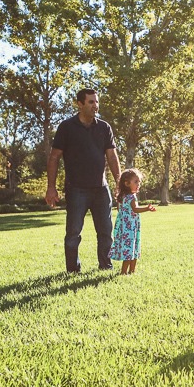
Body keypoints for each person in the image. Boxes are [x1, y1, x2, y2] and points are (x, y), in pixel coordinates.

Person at [46, 88, 121, 273]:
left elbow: (112, 157)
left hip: (101, 190)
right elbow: (54, 157)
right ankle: (73, 270)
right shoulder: (66, 127)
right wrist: (51, 187)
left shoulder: (104, 127)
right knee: (73, 234)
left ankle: (106, 266)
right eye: (91, 102)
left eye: (96, 101)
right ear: (80, 104)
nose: (95, 105)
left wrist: (119, 183)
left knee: (105, 233)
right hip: (76, 190)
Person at [109, 168, 156, 275]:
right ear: (126, 183)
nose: (138, 184)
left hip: (126, 227)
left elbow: (122, 210)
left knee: (132, 248)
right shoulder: (131, 197)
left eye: (139, 182)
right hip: (130, 228)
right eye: (136, 182)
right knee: (131, 249)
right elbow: (135, 209)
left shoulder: (123, 196)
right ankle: (124, 272)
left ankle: (132, 271)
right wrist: (147, 208)